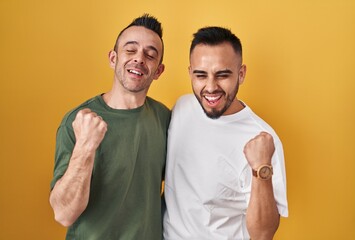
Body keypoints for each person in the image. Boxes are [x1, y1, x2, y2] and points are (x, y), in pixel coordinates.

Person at [49, 14, 171, 240]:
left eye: (150, 55)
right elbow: (64, 214)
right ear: (113, 58)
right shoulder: (77, 122)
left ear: (159, 71)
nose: (139, 59)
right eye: (130, 50)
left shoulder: (165, 119)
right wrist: (86, 145)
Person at [163, 26, 288, 240]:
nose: (210, 87)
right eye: (201, 75)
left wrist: (261, 168)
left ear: (241, 74)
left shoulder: (262, 137)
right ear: (190, 73)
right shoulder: (183, 107)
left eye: (222, 75)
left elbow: (263, 234)